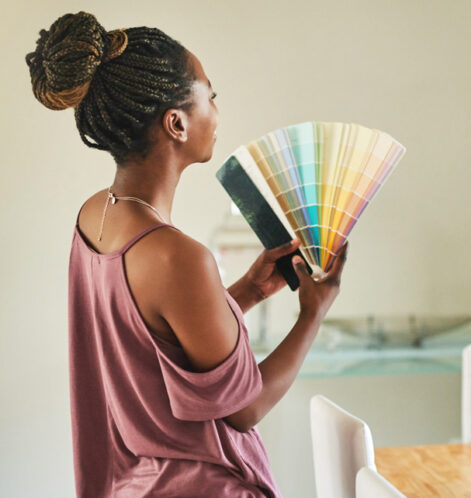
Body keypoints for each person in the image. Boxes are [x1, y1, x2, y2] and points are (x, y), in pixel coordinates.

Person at [26, 11, 348, 498]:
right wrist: (313, 314)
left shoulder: (93, 216)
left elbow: (149, 343)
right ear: (176, 123)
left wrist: (245, 292)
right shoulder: (179, 257)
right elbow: (245, 407)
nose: (217, 112)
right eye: (210, 97)